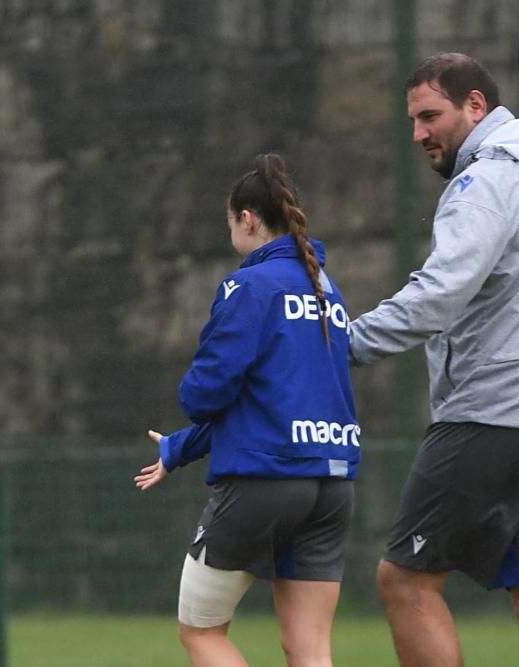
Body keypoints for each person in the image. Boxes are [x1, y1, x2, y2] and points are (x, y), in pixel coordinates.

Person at [348, 53, 519, 667]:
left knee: (405, 579)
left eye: (430, 115)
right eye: (412, 119)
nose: (419, 134)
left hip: (498, 413)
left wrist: (339, 345)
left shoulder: (484, 181)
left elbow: (438, 293)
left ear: (476, 106)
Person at [135, 153, 361, 667]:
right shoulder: (328, 290)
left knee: (202, 634)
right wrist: (179, 449)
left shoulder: (250, 286)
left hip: (265, 482)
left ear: (248, 219)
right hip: (333, 482)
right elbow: (276, 401)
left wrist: (188, 406)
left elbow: (208, 393)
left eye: (230, 221)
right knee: (309, 650)